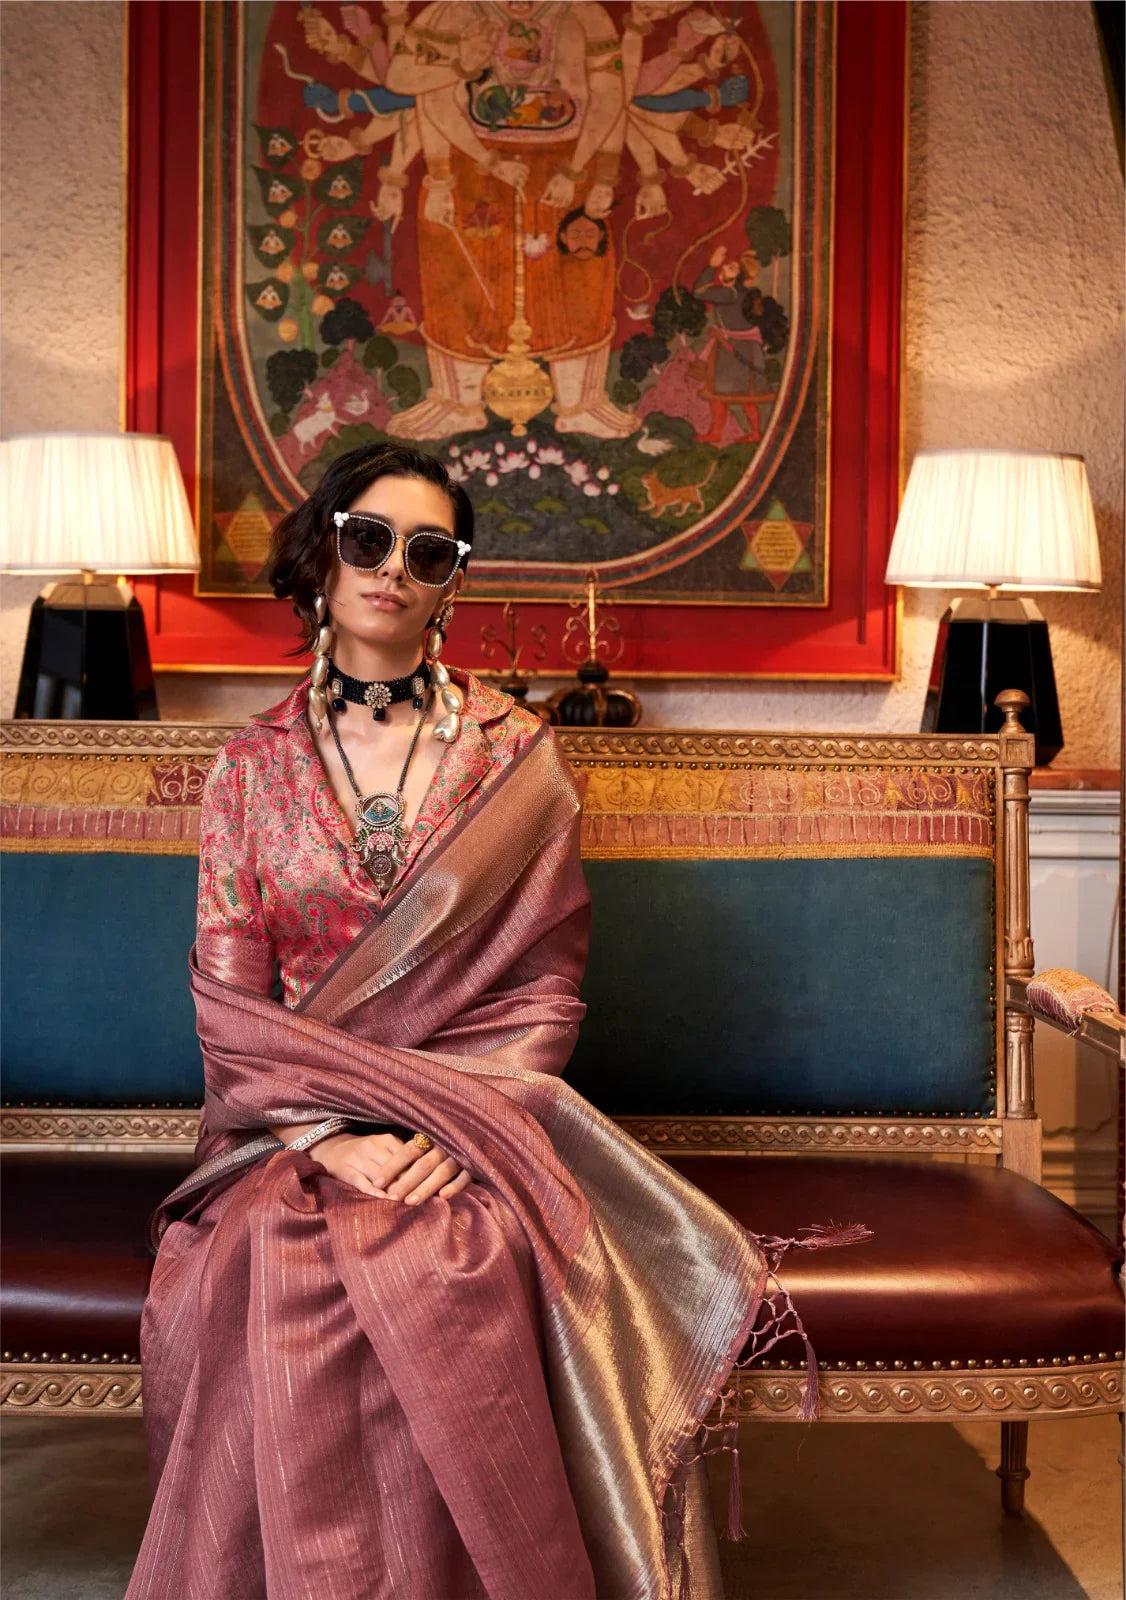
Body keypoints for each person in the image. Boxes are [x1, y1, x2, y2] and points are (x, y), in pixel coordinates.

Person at [126, 443, 772, 1600]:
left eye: (426, 551)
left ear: (451, 581)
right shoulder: (247, 769)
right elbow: (229, 1007)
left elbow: (539, 990)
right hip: (288, 1130)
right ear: (322, 547)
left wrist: (443, 1129)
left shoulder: (515, 758)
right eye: (367, 537)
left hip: (474, 1123)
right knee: (274, 1251)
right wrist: (329, 1138)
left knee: (462, 1257)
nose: (390, 569)